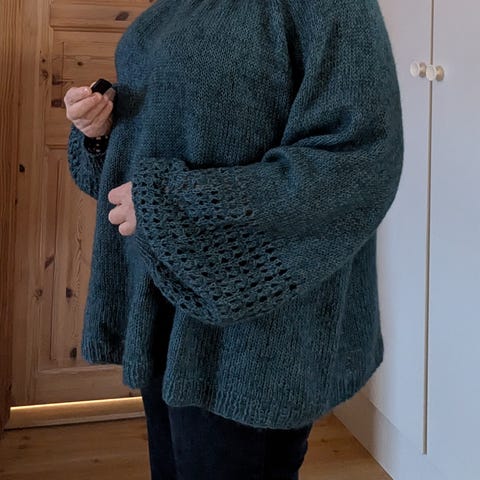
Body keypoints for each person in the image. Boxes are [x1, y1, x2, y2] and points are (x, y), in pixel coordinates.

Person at [64, 0, 403, 478]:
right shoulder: (173, 7)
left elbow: (357, 161)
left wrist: (174, 204)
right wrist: (101, 132)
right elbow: (167, 128)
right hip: (161, 301)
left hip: (253, 340)